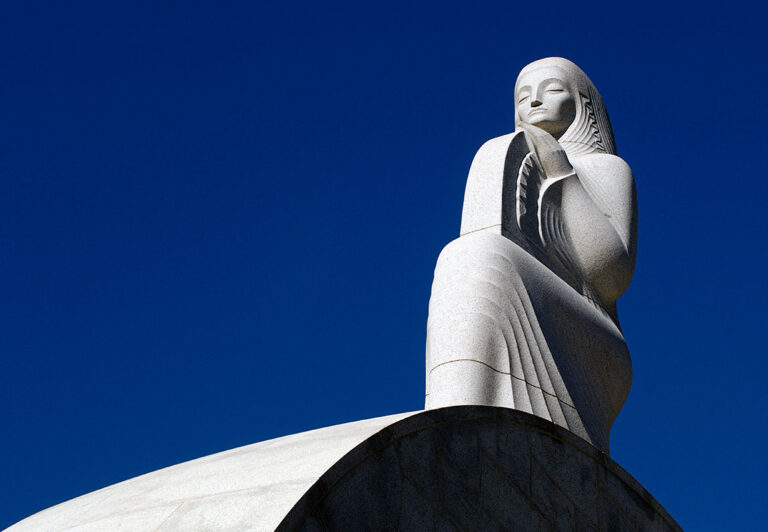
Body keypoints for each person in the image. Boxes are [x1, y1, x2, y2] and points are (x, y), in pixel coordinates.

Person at [425, 58, 637, 453]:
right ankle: (451, 419)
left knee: (485, 257)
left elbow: (611, 275)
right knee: (464, 257)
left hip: (593, 333)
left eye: (552, 89)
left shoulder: (607, 169)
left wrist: (558, 170)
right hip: (530, 287)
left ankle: (454, 432)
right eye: (523, 96)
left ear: (582, 104)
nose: (535, 101)